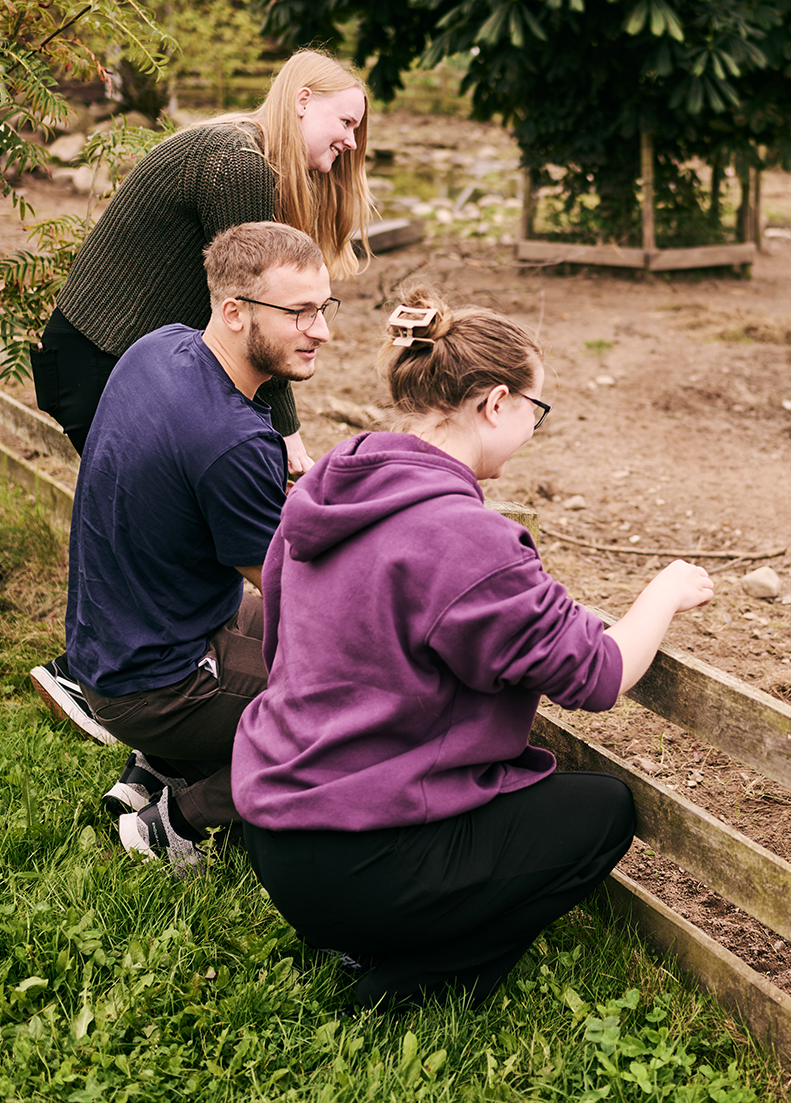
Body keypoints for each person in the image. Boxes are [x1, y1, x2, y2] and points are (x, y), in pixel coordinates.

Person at [230, 289, 714, 1009]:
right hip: (364, 857)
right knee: (601, 811)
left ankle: (371, 931)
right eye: (534, 410)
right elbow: (600, 674)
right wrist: (665, 592)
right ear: (495, 404)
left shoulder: (332, 488)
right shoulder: (462, 536)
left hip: (278, 834)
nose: (532, 428)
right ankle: (414, 985)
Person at [52, 221, 334, 874]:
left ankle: (156, 766)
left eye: (324, 308)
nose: (322, 331)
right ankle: (176, 822)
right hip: (156, 683)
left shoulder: (160, 346)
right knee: (354, 711)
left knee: (302, 650)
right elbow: (302, 592)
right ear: (234, 312)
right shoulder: (233, 441)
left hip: (111, 636)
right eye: (300, 313)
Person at [30, 47, 373, 469]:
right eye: (346, 122)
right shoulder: (238, 164)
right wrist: (286, 433)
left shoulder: (241, 149)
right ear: (303, 101)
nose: (352, 141)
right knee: (159, 518)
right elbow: (258, 311)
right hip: (101, 363)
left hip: (125, 360)